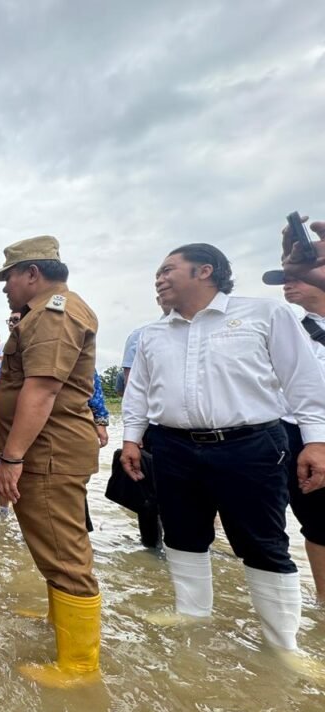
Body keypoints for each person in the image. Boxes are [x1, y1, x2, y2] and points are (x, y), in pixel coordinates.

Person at [121, 243, 325, 660]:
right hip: (173, 445)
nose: (158, 277)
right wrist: (131, 436)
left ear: (205, 271)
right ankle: (192, 614)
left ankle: (283, 646)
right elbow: (138, 389)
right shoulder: (152, 334)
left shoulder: (265, 314)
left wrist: (317, 442)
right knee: (182, 533)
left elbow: (303, 380)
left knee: (263, 540)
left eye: (167, 269)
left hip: (251, 444)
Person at [0, 235, 101, 687]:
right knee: (54, 545)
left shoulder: (54, 313)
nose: (5, 288)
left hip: (48, 450)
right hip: (48, 449)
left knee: (64, 550)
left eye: (9, 277)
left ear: (32, 274)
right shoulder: (46, 312)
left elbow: (43, 389)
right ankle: (61, 623)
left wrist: (11, 457)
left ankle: (78, 667)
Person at [262, 265, 325, 603]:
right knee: (313, 521)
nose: (288, 285)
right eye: (284, 280)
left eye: (297, 277)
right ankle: (321, 602)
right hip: (291, 433)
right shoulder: (288, 329)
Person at [0, 311, 21, 515]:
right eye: (10, 320)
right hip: (0, 415)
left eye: (16, 320)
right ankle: (3, 511)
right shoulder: (3, 347)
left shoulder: (40, 340)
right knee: (1, 461)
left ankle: (24, 514)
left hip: (29, 416)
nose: (12, 324)